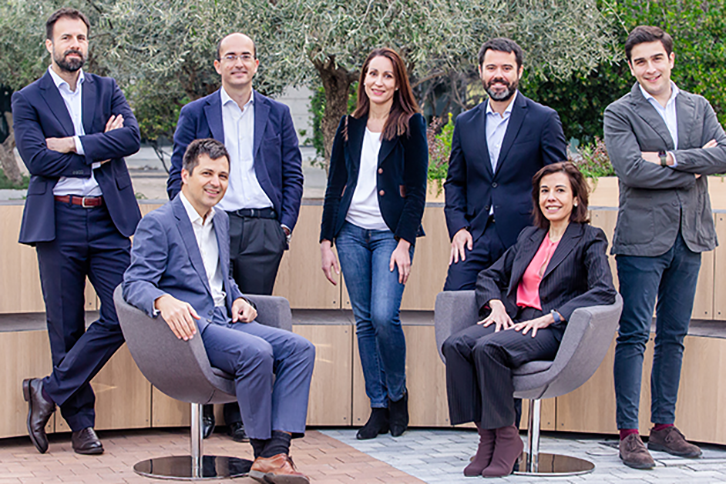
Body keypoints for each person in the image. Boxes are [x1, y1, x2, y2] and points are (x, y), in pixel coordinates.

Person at [123, 138, 314, 484]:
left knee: (300, 349)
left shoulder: (221, 220)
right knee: (257, 352)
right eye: (207, 173)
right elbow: (133, 283)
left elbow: (221, 277)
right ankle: (264, 454)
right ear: (185, 175)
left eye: (223, 176)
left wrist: (238, 298)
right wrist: (163, 301)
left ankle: (277, 450)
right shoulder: (160, 223)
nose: (216, 182)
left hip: (225, 318)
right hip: (192, 329)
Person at [13, 8, 141, 455]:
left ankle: (47, 390)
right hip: (58, 221)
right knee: (64, 325)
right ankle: (81, 424)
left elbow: (131, 139)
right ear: (49, 45)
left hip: (109, 219)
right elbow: (36, 160)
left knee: (128, 310)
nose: (75, 44)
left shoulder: (107, 90)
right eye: (66, 37)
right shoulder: (28, 98)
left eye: (81, 37)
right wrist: (98, 149)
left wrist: (72, 143)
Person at [168, 32, 304, 441]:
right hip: (213, 224)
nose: (239, 63)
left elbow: (292, 172)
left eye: (246, 56)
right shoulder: (196, 112)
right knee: (208, 312)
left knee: (248, 317)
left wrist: (284, 226)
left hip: (264, 228)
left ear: (256, 64)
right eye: (230, 57)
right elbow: (180, 168)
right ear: (218, 65)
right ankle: (205, 405)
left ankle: (245, 414)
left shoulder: (277, 113)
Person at [442, 162, 617, 477]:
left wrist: (553, 316)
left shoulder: (590, 238)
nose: (551, 197)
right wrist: (495, 303)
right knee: (455, 344)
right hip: (514, 320)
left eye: (560, 190)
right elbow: (488, 275)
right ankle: (487, 439)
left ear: (576, 198)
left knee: (488, 349)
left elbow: (604, 291)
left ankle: (507, 438)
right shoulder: (529, 237)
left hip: (551, 328)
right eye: (545, 191)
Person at [604, 25, 726, 469]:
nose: (649, 68)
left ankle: (663, 426)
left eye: (656, 58)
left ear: (670, 59)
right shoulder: (619, 112)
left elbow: (725, 153)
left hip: (690, 234)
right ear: (632, 67)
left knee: (673, 335)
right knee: (635, 334)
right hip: (641, 238)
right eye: (640, 61)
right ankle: (629, 433)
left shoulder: (698, 106)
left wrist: (669, 158)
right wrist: (695, 163)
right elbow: (631, 170)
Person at [319, 48, 428, 440]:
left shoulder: (411, 125)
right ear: (363, 78)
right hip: (349, 233)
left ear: (398, 82)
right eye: (372, 74)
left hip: (389, 236)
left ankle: (397, 395)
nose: (378, 82)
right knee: (364, 321)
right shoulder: (349, 125)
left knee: (384, 316)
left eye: (387, 76)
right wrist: (325, 240)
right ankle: (378, 407)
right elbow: (334, 187)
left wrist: (404, 242)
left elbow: (417, 190)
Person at [443, 37, 567, 291]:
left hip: (526, 236)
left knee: (515, 312)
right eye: (491, 68)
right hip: (474, 236)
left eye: (506, 68)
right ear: (480, 71)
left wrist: (550, 237)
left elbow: (560, 181)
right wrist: (458, 229)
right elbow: (455, 181)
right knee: (453, 301)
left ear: (519, 71)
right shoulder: (465, 122)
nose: (498, 75)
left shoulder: (543, 119)